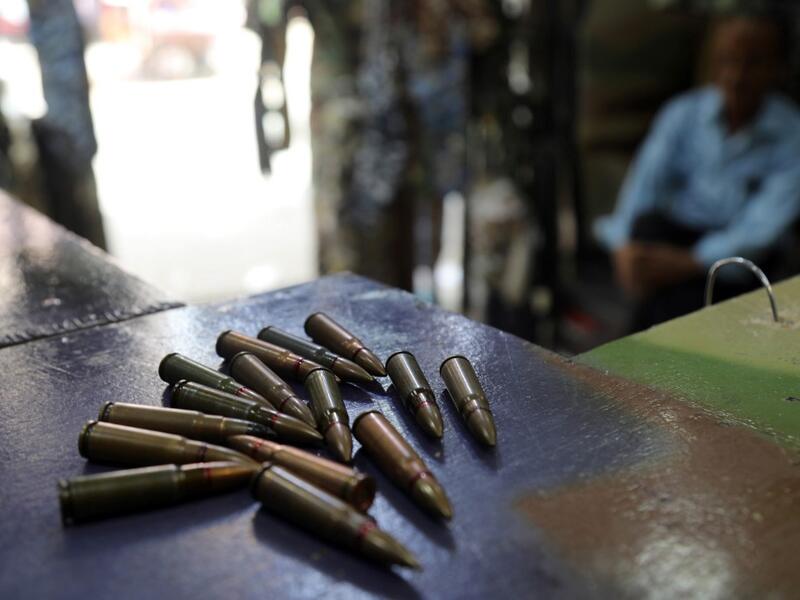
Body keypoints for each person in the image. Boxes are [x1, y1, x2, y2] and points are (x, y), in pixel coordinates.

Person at [595, 10, 800, 329]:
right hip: (673, 244)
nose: (736, 76)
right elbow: (643, 188)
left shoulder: (791, 134)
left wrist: (689, 263)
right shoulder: (683, 113)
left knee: (681, 300)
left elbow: (761, 230)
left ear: (778, 67)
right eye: (727, 60)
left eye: (753, 63)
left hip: (736, 264)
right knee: (647, 231)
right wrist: (625, 249)